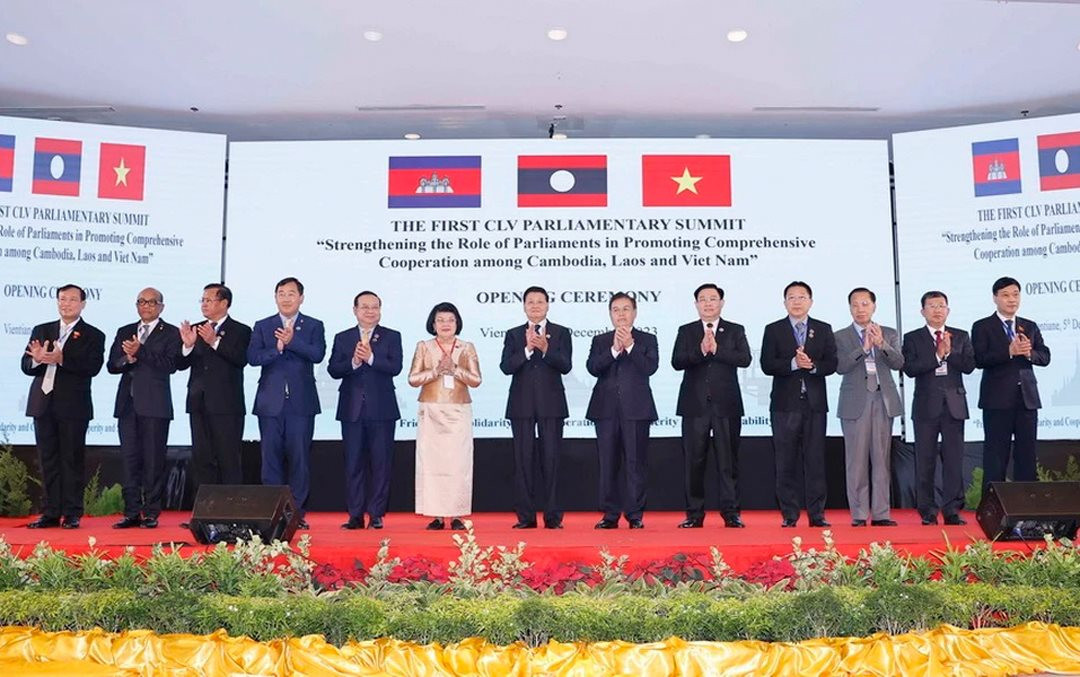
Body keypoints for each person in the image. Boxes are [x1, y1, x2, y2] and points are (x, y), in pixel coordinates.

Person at [21, 284, 105, 529]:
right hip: (42, 403)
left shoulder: (93, 334)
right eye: (62, 299)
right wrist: (36, 360)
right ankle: (50, 512)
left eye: (71, 299)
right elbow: (25, 366)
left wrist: (62, 359)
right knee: (47, 460)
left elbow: (93, 367)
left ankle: (71, 512)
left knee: (71, 459)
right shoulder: (42, 329)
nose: (66, 303)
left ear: (83, 304)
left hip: (73, 407)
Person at [248, 277, 326, 529]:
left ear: (301, 298)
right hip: (270, 404)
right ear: (275, 297)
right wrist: (278, 348)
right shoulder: (263, 325)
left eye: (291, 293)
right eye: (281, 293)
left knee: (299, 460)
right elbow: (252, 358)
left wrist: (294, 342)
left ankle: (296, 514)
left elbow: (317, 354)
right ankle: (273, 513)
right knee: (270, 460)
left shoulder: (313, 325)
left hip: (301, 405)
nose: (286, 298)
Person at [671, 283, 751, 529]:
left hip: (726, 405)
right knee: (694, 462)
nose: (708, 303)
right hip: (694, 406)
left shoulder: (735, 330)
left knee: (728, 462)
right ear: (696, 304)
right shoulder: (686, 331)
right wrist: (700, 350)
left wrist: (717, 349)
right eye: (702, 299)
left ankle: (731, 513)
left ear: (721, 303)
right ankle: (694, 514)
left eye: (712, 299)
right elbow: (677, 362)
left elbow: (745, 359)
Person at [760, 281, 837, 527]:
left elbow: (832, 363)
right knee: (786, 461)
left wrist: (812, 366)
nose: (796, 301)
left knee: (815, 461)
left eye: (801, 297)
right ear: (784, 303)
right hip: (784, 405)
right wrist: (793, 363)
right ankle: (790, 515)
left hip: (814, 405)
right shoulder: (773, 329)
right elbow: (767, 364)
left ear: (810, 302)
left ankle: (817, 515)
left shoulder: (823, 329)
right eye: (791, 297)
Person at [327, 291, 402, 530]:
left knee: (381, 463)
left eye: (375, 307)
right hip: (351, 410)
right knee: (353, 464)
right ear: (355, 310)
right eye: (365, 307)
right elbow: (333, 369)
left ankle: (377, 513)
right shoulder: (343, 337)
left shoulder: (391, 336)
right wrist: (353, 363)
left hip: (382, 410)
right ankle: (355, 514)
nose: (370, 311)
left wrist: (370, 358)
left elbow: (395, 367)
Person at [499, 286, 572, 529]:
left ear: (548, 305)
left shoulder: (561, 332)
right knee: (523, 461)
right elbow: (506, 366)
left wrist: (546, 349)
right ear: (524, 306)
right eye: (530, 302)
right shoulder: (513, 334)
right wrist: (528, 350)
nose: (535, 306)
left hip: (552, 405)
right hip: (521, 405)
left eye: (540, 302)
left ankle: (553, 517)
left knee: (552, 460)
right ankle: (526, 517)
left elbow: (566, 365)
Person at [107, 288, 180, 529]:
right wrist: (127, 359)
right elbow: (112, 365)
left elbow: (171, 365)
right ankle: (131, 512)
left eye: (151, 302)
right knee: (129, 460)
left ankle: (150, 512)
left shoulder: (170, 332)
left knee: (153, 460)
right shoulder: (125, 331)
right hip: (127, 405)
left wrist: (141, 351)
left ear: (161, 306)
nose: (146, 306)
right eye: (141, 302)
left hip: (155, 406)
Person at [902, 291, 975, 526]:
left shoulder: (961, 336)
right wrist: (937, 354)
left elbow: (969, 366)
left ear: (948, 310)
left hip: (954, 406)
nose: (937, 310)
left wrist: (949, 351)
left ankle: (952, 510)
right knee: (925, 460)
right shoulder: (913, 338)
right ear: (923, 311)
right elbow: (910, 369)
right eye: (931, 306)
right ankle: (927, 510)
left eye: (941, 305)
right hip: (925, 407)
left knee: (954, 460)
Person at [586, 292, 658, 530]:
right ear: (610, 314)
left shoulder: (647, 339)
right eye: (616, 310)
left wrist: (630, 346)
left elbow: (650, 367)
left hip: (636, 410)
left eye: (626, 309)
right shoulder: (600, 340)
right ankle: (610, 514)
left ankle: (635, 514)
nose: (621, 314)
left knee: (635, 463)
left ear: (635, 313)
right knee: (608, 464)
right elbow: (593, 368)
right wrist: (614, 350)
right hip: (605, 411)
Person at [971, 276, 1050, 492]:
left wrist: (1030, 353)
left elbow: (1045, 357)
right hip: (996, 401)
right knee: (996, 456)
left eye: (1015, 294)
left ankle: (1027, 509)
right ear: (995, 298)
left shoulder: (1029, 326)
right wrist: (1009, 351)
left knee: (1026, 455)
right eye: (1005, 295)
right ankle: (992, 508)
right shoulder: (982, 326)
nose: (1012, 300)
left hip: (1027, 399)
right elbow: (979, 359)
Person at [408, 302, 482, 530]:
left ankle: (458, 514)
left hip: (458, 411)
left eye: (450, 320)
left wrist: (455, 369)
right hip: (431, 411)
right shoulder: (424, 346)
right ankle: (437, 515)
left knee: (458, 464)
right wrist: (437, 371)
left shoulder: (466, 347)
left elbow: (476, 380)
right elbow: (412, 379)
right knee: (432, 464)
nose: (445, 324)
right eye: (440, 320)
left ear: (457, 322)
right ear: (433, 324)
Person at [835, 287, 903, 527]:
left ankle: (882, 513)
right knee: (856, 460)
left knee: (881, 459)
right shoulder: (841, 336)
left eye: (865, 303)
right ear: (850, 308)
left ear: (874, 306)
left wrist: (881, 343)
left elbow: (898, 362)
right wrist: (863, 348)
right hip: (856, 403)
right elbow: (840, 366)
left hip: (883, 401)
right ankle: (859, 514)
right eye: (855, 304)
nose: (860, 308)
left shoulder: (890, 333)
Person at [176, 283, 252, 492]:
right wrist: (188, 346)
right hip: (198, 402)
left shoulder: (241, 330)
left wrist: (215, 342)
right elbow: (179, 364)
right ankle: (204, 513)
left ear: (224, 303)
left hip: (227, 405)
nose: (204, 304)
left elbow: (241, 359)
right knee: (202, 459)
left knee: (229, 459)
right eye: (202, 300)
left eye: (209, 300)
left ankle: (231, 512)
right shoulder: (196, 328)